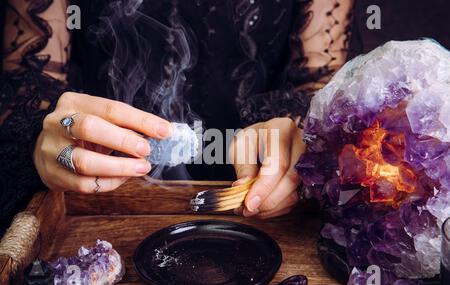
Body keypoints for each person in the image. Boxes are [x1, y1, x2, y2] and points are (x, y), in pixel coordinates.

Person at [1, 0, 449, 234]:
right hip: (94, 199)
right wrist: (46, 131)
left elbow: (319, 80)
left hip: (260, 206)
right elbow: (26, 79)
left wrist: (301, 131)